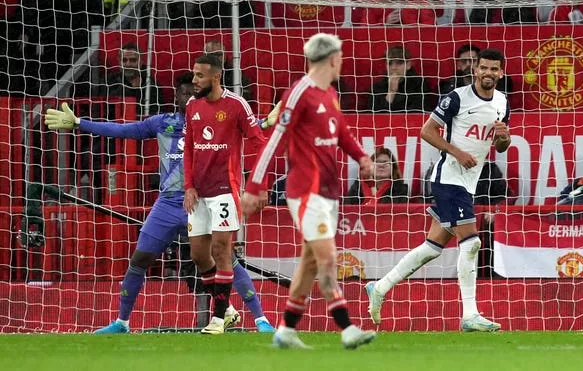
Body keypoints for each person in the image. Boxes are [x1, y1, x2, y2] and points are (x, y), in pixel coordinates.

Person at [44, 72, 278, 334]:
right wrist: (79, 123)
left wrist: (265, 123)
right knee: (140, 258)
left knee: (227, 258)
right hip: (168, 203)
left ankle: (261, 320)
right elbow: (123, 130)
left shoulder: (212, 119)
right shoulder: (161, 122)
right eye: (183, 92)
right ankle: (122, 322)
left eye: (193, 91)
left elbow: (246, 126)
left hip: (203, 199)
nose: (188, 96)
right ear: (176, 96)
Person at [241, 33, 377, 350]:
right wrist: (255, 187)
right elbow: (275, 140)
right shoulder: (299, 93)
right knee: (328, 258)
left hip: (329, 192)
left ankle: (286, 329)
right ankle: (347, 328)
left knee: (311, 262)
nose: (342, 62)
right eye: (340, 56)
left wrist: (362, 156)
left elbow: (341, 130)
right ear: (332, 58)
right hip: (306, 192)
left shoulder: (329, 93)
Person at [365, 48, 511, 332]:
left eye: (494, 69)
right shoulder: (457, 97)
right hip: (448, 178)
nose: (488, 74)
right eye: (484, 68)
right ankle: (470, 314)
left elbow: (500, 145)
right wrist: (456, 152)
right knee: (472, 243)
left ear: (501, 73)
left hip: (469, 182)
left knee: (433, 247)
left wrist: (504, 138)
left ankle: (380, 287)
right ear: (476, 70)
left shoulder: (503, 102)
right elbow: (427, 131)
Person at [182, 54, 270, 335]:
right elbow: (189, 150)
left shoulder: (236, 105)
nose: (194, 81)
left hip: (225, 190)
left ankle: (217, 319)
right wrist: (188, 186)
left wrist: (259, 186)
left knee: (221, 250)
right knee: (198, 256)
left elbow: (260, 144)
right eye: (194, 75)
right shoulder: (192, 107)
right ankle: (228, 309)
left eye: (199, 76)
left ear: (216, 77)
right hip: (199, 193)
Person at [100, 42, 165, 118]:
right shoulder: (108, 82)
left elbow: (156, 115)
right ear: (119, 62)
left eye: (133, 60)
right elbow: (104, 110)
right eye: (124, 60)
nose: (128, 64)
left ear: (141, 62)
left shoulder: (153, 86)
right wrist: (129, 88)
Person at [368, 46, 434, 112]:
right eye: (390, 63)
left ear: (408, 65)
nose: (393, 67)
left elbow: (421, 112)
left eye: (399, 63)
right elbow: (374, 117)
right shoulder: (377, 88)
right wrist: (391, 92)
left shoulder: (419, 85)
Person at [439, 44, 513, 97]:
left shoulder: (501, 81)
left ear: (479, 63)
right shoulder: (449, 86)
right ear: (458, 65)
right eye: (464, 61)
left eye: (472, 60)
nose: (468, 64)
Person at [343, 147, 409, 205]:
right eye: (377, 162)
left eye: (385, 162)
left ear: (393, 168)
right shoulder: (358, 186)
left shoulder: (401, 189)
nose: (381, 165)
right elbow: (347, 208)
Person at [204, 38, 254, 103]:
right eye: (211, 54)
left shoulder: (236, 74)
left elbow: (246, 96)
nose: (215, 58)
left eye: (219, 54)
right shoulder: (198, 72)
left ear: (225, 55)